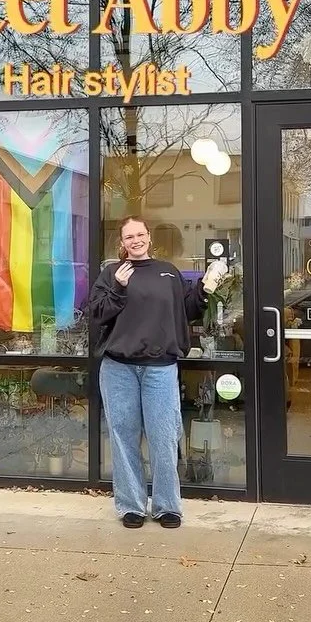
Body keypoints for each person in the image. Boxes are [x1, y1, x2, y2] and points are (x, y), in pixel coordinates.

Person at [88, 216, 220, 530]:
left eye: (140, 234)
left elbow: (188, 310)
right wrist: (118, 288)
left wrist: (205, 289)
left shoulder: (168, 273)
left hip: (160, 369)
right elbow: (96, 314)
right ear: (122, 242)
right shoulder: (112, 273)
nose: (135, 240)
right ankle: (131, 505)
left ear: (149, 237)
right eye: (129, 236)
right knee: (124, 438)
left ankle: (166, 506)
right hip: (118, 369)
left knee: (163, 437)